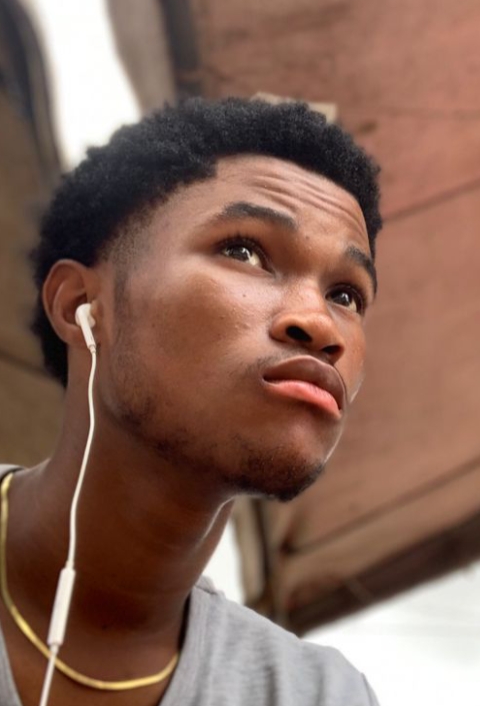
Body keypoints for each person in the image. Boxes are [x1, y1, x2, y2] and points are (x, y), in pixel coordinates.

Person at [0, 97, 383, 706]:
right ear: (82, 307)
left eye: (346, 295)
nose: (320, 325)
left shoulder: (316, 694)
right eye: (244, 251)